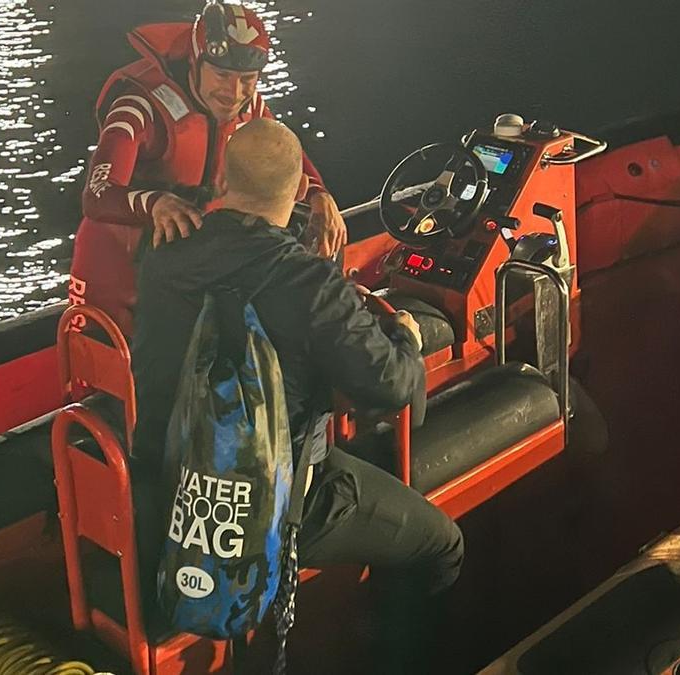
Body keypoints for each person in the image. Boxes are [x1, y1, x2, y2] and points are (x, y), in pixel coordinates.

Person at [132, 119, 463, 673]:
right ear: (296, 195)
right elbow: (392, 386)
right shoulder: (308, 281)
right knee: (442, 546)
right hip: (284, 506)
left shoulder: (164, 256)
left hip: (176, 489)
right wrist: (404, 333)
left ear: (220, 177)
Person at [68, 3, 348, 335]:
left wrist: (320, 195)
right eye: (222, 75)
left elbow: (283, 152)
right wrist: (155, 202)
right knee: (113, 373)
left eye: (247, 79)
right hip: (116, 261)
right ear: (195, 61)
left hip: (187, 260)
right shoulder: (138, 106)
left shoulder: (250, 103)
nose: (234, 93)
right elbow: (97, 196)